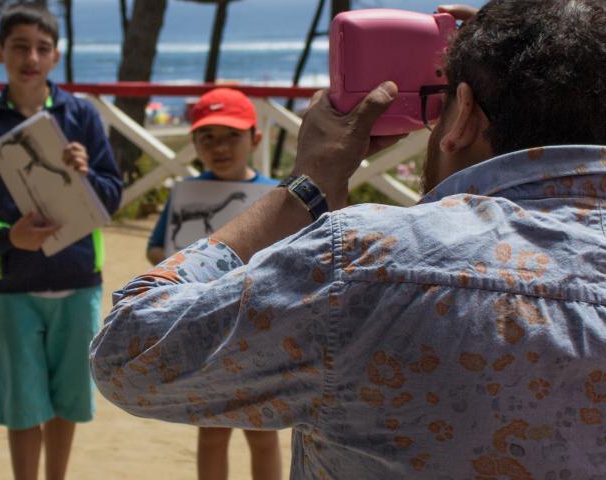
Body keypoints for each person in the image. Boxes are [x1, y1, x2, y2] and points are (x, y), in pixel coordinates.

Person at [91, 1, 606, 478]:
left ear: (464, 115)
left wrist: (306, 186)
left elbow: (128, 353)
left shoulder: (364, 265)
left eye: (442, 105)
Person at [0, 3, 122, 479]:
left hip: (78, 279)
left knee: (68, 400)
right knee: (23, 403)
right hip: (15, 284)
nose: (31, 57)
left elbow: (111, 197)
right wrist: (10, 239)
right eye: (19, 47)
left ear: (55, 56)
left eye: (42, 48)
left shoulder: (82, 117)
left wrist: (87, 174)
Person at [146, 87, 283, 480]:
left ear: (255, 138)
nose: (220, 147)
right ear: (195, 144)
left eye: (232, 136)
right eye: (208, 138)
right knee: (211, 431)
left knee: (263, 434)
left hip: (261, 329)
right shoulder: (185, 194)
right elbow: (158, 248)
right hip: (205, 329)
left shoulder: (276, 194)